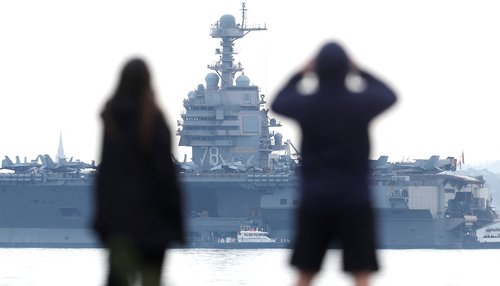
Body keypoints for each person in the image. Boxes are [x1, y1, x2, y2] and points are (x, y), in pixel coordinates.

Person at [271, 42, 397, 286]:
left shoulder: (307, 105)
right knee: (362, 272)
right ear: (346, 69)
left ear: (316, 69)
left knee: (304, 273)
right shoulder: (359, 104)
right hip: (354, 201)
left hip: (314, 201)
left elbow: (278, 102)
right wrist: (359, 70)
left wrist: (300, 73)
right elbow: (389, 95)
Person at [93, 58, 184, 286]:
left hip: (120, 229)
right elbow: (167, 179)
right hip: (153, 230)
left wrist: (103, 224)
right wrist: (177, 226)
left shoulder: (110, 119)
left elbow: (105, 177)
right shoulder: (157, 120)